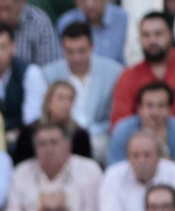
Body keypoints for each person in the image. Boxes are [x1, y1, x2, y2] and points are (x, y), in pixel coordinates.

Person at [109, 14, 175, 139]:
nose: (152, 40)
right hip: (139, 148)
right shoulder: (128, 75)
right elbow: (120, 122)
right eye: (146, 35)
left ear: (170, 35)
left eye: (158, 34)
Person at [3, 121, 103, 211]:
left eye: (54, 142)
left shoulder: (89, 170)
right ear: (35, 149)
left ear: (69, 146)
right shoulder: (21, 173)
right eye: (42, 144)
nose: (48, 149)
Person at [42, 22, 123, 162]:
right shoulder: (48, 74)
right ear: (62, 49)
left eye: (81, 51)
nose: (76, 58)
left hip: (100, 138)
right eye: (70, 51)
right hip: (62, 135)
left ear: (92, 46)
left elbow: (114, 116)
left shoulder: (114, 72)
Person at [0, 20, 46, 145]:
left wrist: (11, 137)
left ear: (13, 47)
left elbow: (32, 119)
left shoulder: (30, 73)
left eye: (3, 46)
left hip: (22, 140)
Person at [107, 80, 175, 167]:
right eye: (149, 105)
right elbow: (114, 168)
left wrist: (161, 145)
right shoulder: (123, 130)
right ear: (139, 109)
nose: (155, 112)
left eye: (161, 105)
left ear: (170, 109)